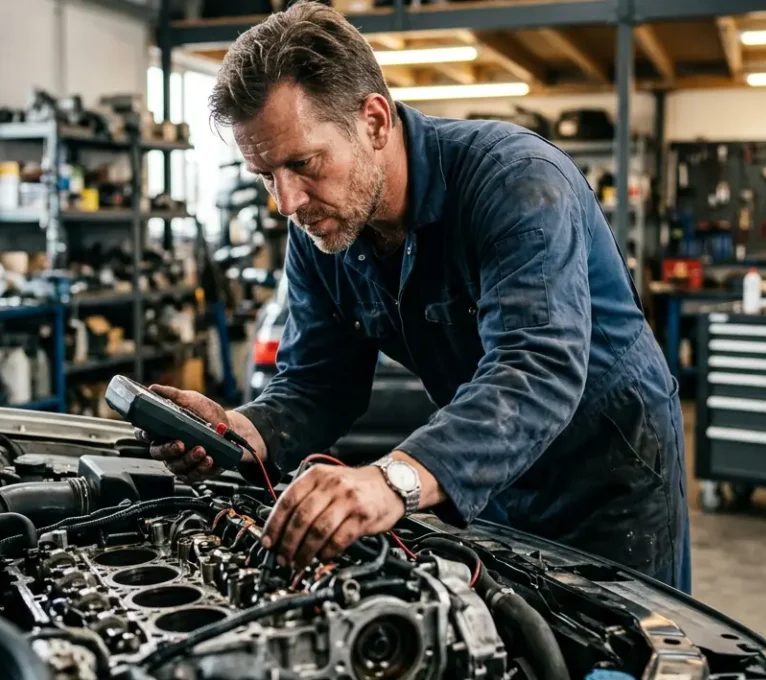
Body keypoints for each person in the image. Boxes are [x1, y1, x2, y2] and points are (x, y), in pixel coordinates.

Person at [148, 1, 690, 591]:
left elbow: (536, 366)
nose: (286, 202)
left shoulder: (516, 180)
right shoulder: (322, 227)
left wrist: (391, 480)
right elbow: (316, 384)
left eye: (303, 163)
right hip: (492, 466)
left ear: (375, 121)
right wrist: (239, 430)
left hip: (610, 472)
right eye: (265, 175)